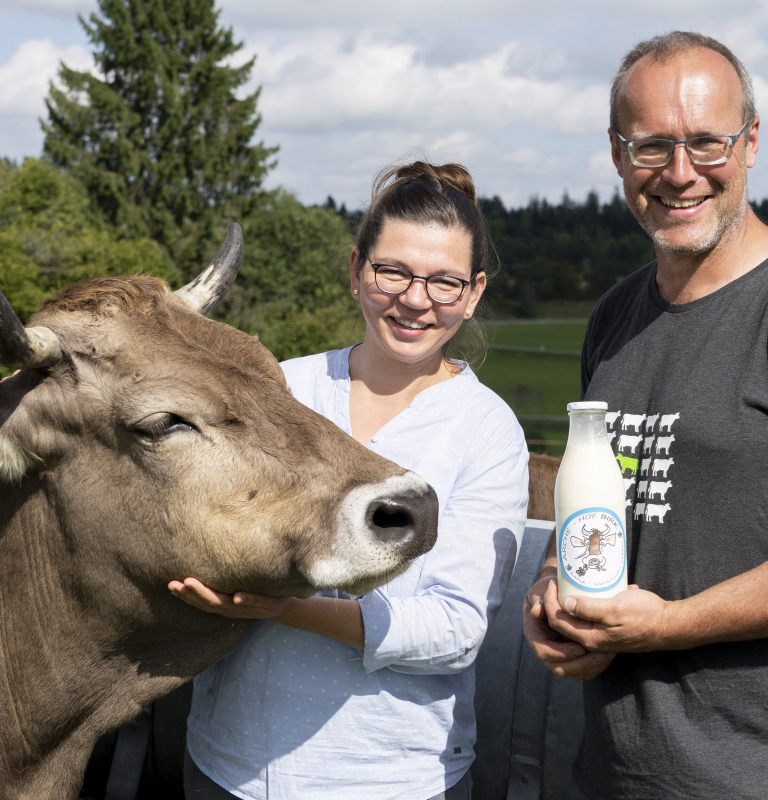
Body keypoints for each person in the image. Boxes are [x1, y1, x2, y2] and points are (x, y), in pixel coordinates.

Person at [523, 31, 768, 799]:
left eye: (707, 142)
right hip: (617, 773)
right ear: (616, 155)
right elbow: (616, 500)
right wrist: (558, 586)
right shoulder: (615, 317)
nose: (680, 174)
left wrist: (667, 626)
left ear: (750, 145)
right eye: (651, 147)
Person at [169, 161, 530, 799]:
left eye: (444, 282)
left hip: (395, 781)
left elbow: (453, 630)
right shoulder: (279, 388)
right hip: (227, 767)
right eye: (393, 270)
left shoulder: (486, 428)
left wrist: (287, 609)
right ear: (358, 271)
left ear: (473, 294)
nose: (416, 299)